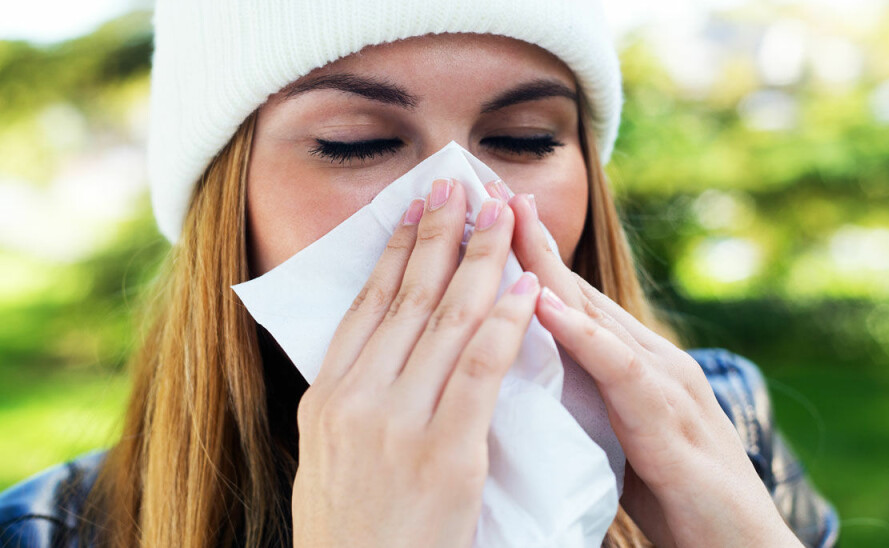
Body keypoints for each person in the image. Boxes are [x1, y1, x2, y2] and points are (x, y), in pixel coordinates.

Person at [0, 2, 839, 547]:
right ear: (224, 201)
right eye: (356, 143)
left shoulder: (720, 423)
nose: (462, 207)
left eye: (523, 139)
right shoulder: (45, 531)